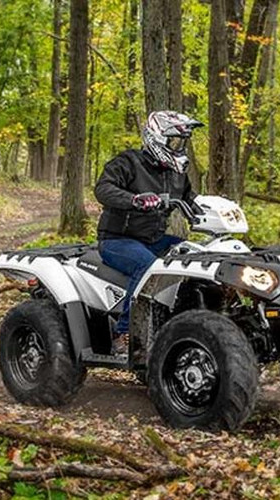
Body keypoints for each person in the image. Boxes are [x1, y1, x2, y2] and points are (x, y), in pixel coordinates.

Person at [94, 110, 203, 354]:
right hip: (117, 240)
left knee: (194, 256)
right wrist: (134, 200)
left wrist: (209, 209)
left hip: (154, 239)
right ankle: (124, 334)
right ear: (157, 138)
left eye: (181, 142)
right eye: (174, 141)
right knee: (149, 266)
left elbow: (190, 198)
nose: (179, 147)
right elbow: (103, 189)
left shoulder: (176, 174)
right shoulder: (128, 162)